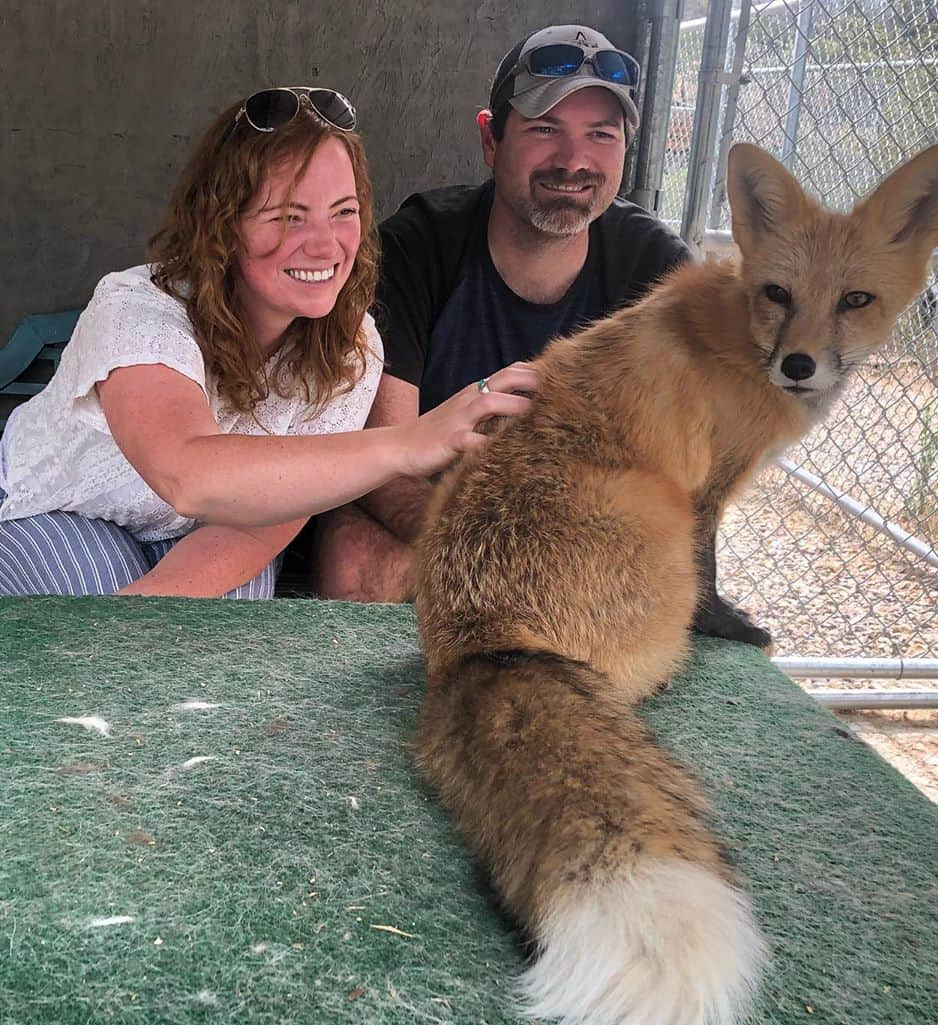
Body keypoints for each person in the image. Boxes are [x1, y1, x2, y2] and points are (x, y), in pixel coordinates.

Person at [0, 88, 536, 598]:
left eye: (344, 212)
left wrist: (146, 621)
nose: (326, 245)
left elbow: (262, 525)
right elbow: (185, 474)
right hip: (63, 509)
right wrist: (408, 443)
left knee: (224, 618)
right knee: (91, 583)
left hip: (208, 526)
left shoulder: (352, 347)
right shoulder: (137, 306)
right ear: (223, 224)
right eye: (287, 217)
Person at [313, 25, 691, 601]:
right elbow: (384, 465)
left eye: (601, 135)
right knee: (352, 554)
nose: (574, 160)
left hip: (582, 532)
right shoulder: (417, 247)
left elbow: (674, 473)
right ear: (491, 139)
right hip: (436, 519)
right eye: (545, 129)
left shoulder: (657, 269)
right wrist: (495, 553)